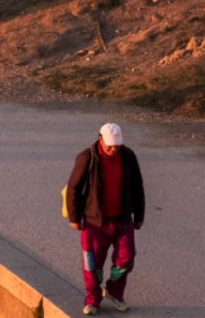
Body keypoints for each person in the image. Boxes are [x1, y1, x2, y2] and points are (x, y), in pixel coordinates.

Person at [64, 122, 146, 315]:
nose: (113, 149)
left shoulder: (128, 157)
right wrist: (74, 217)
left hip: (122, 219)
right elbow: (73, 188)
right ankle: (93, 299)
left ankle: (113, 291)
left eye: (117, 146)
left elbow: (137, 186)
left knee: (126, 259)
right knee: (92, 264)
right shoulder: (87, 157)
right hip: (94, 221)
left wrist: (139, 215)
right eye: (110, 145)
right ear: (100, 139)